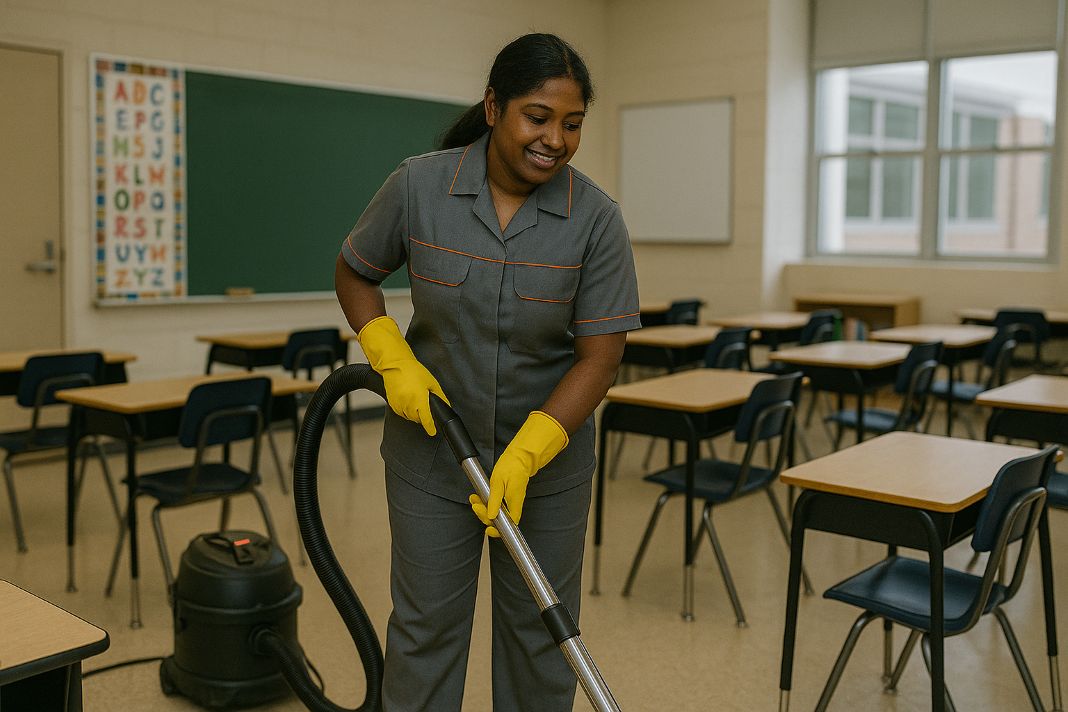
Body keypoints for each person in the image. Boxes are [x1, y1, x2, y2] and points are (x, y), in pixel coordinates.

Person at [335, 32, 640, 711]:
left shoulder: (595, 219)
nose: (555, 139)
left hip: (548, 471)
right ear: (494, 107)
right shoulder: (419, 185)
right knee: (424, 635)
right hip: (432, 455)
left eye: (572, 124)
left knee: (541, 639)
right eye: (539, 116)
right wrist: (390, 355)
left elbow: (602, 356)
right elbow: (355, 270)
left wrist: (534, 447)